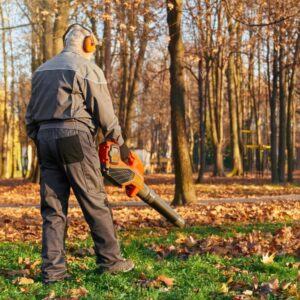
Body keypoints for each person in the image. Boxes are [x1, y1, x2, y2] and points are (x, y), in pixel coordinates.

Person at [25, 24, 134, 284]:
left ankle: (53, 272)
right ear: (88, 43)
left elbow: (29, 117)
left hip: (44, 139)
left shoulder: (41, 71)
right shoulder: (86, 68)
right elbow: (104, 112)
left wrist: (40, 137)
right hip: (73, 136)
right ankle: (111, 261)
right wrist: (119, 142)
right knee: (94, 200)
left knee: (52, 208)